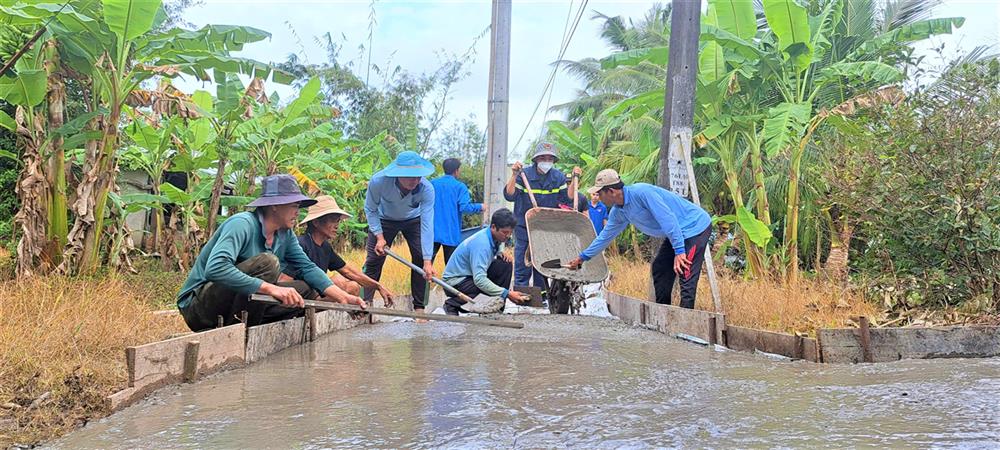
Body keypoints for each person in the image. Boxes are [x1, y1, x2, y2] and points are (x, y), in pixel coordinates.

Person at [176, 174, 367, 332]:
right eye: (293, 206)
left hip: (239, 302)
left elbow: (307, 267)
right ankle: (237, 332)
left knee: (305, 289)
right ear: (274, 206)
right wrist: (271, 288)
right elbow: (215, 269)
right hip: (199, 308)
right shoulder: (241, 224)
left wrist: (343, 298)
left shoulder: (285, 234)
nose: (297, 212)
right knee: (268, 263)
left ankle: (254, 328)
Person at [567, 169, 712, 309]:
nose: (597, 196)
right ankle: (664, 314)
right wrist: (582, 257)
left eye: (599, 193)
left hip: (695, 227)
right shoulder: (618, 212)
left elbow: (668, 220)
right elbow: (604, 237)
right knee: (660, 268)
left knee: (685, 272)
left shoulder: (642, 193)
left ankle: (686, 323)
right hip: (678, 232)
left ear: (611, 191)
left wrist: (679, 251)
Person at [278, 195, 395, 305]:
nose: (336, 225)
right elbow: (284, 282)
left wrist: (378, 286)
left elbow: (349, 271)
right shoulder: (300, 245)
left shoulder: (325, 247)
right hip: (301, 301)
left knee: (352, 286)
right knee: (338, 283)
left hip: (317, 297)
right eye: (332, 220)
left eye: (338, 221)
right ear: (316, 222)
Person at [503, 142, 585, 300]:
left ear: (553, 161)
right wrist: (514, 175)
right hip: (525, 226)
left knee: (543, 262)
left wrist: (575, 179)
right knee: (522, 262)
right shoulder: (524, 175)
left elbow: (567, 198)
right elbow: (510, 195)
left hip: (547, 227)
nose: (546, 161)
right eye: (543, 157)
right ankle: (521, 296)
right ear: (536, 159)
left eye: (549, 158)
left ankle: (541, 298)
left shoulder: (558, 177)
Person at [363, 150, 436, 315]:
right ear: (397, 174)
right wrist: (379, 237)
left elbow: (427, 224)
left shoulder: (426, 188)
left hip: (414, 220)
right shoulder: (378, 182)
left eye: (418, 176)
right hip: (384, 219)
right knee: (374, 259)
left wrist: (427, 261)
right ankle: (365, 303)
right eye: (410, 176)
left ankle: (419, 307)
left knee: (420, 259)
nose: (415, 181)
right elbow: (370, 209)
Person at [441, 208, 528, 315]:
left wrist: (500, 252)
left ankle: (497, 308)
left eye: (510, 233)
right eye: (505, 232)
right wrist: (507, 293)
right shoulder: (482, 245)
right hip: (454, 283)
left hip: (469, 276)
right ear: (493, 227)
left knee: (505, 265)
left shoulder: (493, 236)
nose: (507, 236)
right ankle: (453, 304)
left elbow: (496, 245)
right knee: (484, 289)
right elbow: (480, 280)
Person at [431, 158, 483, 264]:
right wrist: (480, 207)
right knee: (451, 267)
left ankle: (424, 281)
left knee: (426, 264)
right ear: (456, 170)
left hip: (432, 231)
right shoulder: (460, 187)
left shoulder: (432, 184)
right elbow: (465, 207)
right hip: (451, 233)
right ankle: (448, 281)